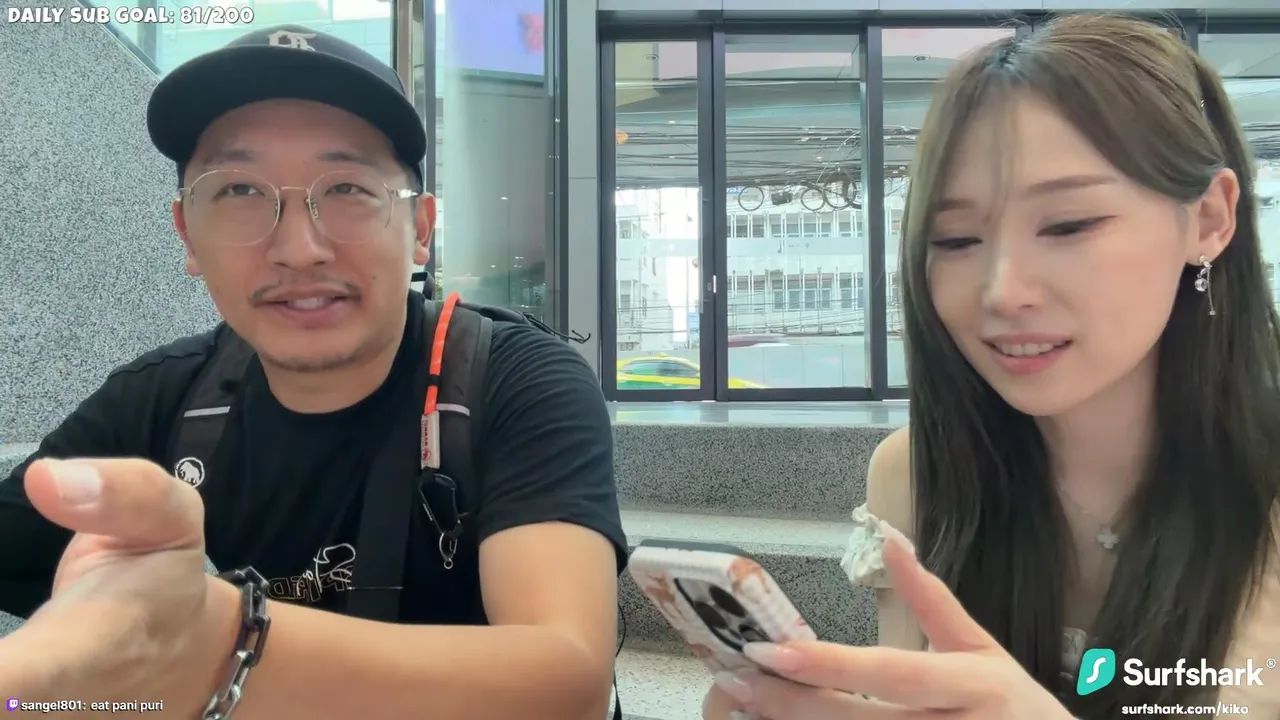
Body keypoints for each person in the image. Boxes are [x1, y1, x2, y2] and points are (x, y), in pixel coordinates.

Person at [0, 25, 627, 720]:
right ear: (187, 236)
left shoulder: (514, 381)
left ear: (420, 229)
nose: (299, 250)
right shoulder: (163, 397)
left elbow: (567, 682)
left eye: (348, 188)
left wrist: (222, 640)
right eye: (239, 189)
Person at [703, 14, 1280, 720]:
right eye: (956, 239)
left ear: (1210, 219)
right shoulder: (916, 473)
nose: (1002, 292)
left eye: (1068, 225)